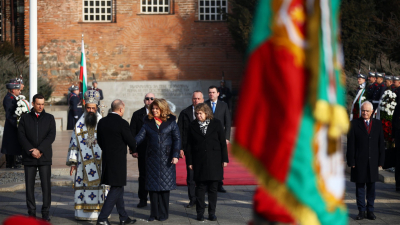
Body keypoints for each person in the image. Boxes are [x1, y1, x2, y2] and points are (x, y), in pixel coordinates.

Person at [135, 99, 181, 221]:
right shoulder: (147, 122)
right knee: (153, 188)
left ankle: (164, 214)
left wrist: (175, 155)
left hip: (167, 159)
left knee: (165, 188)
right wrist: (129, 142)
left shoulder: (171, 122)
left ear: (163, 109)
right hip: (152, 159)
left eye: (157, 108)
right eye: (153, 108)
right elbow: (139, 137)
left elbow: (177, 139)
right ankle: (153, 214)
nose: (154, 110)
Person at [66, 90, 107, 221]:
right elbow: (73, 143)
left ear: (97, 108)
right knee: (83, 187)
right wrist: (72, 163)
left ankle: (99, 214)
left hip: (99, 162)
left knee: (100, 188)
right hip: (82, 163)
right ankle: (82, 214)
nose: (90, 110)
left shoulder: (103, 122)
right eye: (88, 107)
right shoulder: (79, 124)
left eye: (93, 108)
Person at [96, 99, 137, 225]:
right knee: (116, 187)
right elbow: (130, 140)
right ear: (121, 109)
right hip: (118, 160)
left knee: (118, 187)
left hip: (107, 158)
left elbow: (99, 140)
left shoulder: (102, 121)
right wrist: (134, 149)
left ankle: (123, 217)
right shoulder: (122, 123)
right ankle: (102, 219)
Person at [185, 103, 229, 221]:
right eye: (197, 113)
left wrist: (225, 159)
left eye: (200, 113)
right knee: (200, 188)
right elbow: (188, 145)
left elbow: (222, 143)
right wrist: (189, 161)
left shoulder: (216, 123)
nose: (198, 116)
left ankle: (212, 213)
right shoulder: (192, 125)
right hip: (199, 161)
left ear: (206, 113)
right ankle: (200, 213)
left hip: (215, 160)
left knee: (213, 189)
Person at [18, 94, 56, 221]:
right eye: (38, 104)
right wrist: (31, 151)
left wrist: (40, 150)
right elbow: (21, 136)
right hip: (29, 158)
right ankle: (31, 213)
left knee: (46, 186)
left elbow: (51, 136)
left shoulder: (50, 118)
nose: (41, 106)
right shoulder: (24, 118)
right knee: (29, 187)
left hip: (44, 157)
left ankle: (45, 212)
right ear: (33, 104)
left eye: (42, 104)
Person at [347, 101, 385, 221]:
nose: (365, 113)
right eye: (363, 110)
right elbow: (351, 145)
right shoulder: (354, 124)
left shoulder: (378, 124)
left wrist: (381, 161)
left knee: (371, 187)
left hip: (373, 161)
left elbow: (381, 144)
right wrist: (351, 161)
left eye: (367, 111)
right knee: (360, 188)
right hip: (359, 161)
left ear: (372, 112)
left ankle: (370, 211)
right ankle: (361, 211)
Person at [178, 91, 205, 208]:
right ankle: (192, 199)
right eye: (194, 98)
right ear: (191, 99)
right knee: (191, 176)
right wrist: (180, 148)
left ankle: (201, 200)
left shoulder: (208, 113)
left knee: (203, 177)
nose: (196, 101)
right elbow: (179, 131)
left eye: (199, 98)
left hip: (204, 150)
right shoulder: (185, 113)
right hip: (190, 149)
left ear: (203, 100)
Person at [129, 93, 155, 208]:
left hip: (155, 150)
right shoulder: (137, 114)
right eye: (147, 99)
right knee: (143, 175)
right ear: (144, 100)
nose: (149, 100)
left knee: (154, 174)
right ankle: (143, 199)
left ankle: (155, 199)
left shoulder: (158, 113)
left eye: (151, 99)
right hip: (142, 149)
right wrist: (133, 149)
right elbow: (132, 132)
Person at [205, 85, 231, 193]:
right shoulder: (204, 104)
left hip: (220, 138)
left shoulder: (223, 105)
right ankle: (207, 183)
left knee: (220, 161)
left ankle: (219, 184)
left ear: (218, 94)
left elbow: (228, 123)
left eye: (213, 92)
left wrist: (227, 138)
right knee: (207, 160)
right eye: (210, 92)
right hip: (207, 138)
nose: (211, 94)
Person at [1, 81, 22, 169]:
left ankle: (14, 163)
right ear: (13, 90)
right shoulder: (9, 98)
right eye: (18, 89)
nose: (20, 91)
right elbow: (9, 115)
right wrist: (16, 124)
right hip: (11, 126)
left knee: (13, 145)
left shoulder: (12, 97)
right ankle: (11, 164)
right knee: (10, 145)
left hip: (13, 125)